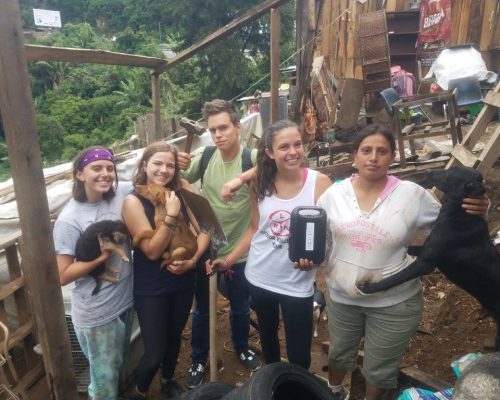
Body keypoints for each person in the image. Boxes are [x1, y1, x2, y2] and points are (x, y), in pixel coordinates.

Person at [316, 124, 490, 400]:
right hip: (342, 298)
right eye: (366, 150)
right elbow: (322, 240)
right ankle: (335, 392)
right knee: (339, 354)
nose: (373, 157)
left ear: (392, 157)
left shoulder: (412, 195)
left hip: (394, 304)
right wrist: (308, 263)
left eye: (382, 151)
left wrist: (480, 206)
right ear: (354, 156)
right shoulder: (333, 196)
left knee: (379, 369)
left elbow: (454, 221)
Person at [208, 119, 332, 369]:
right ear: (269, 153)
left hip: (297, 282)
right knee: (268, 338)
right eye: (284, 147)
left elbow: (328, 236)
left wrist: (316, 261)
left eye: (297, 144)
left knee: (299, 353)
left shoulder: (319, 184)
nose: (293, 152)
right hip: (260, 277)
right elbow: (255, 228)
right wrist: (230, 260)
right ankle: (274, 382)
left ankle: (297, 387)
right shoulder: (261, 183)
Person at [178, 99, 261, 388]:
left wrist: (242, 178)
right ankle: (199, 358)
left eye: (224, 127)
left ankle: (241, 346)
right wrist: (176, 162)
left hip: (241, 251)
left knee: (240, 307)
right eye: (213, 130)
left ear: (238, 127)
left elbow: (277, 162)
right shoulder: (205, 155)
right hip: (206, 248)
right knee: (202, 309)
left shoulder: (251, 158)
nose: (218, 135)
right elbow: (174, 178)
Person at [122, 142, 210, 399]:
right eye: (157, 163)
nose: (163, 170)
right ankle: (140, 390)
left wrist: (192, 260)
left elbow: (205, 229)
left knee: (174, 338)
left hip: (183, 278)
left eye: (170, 165)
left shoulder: (181, 190)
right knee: (155, 350)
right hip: (152, 286)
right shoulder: (133, 200)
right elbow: (150, 251)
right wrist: (171, 216)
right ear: (144, 165)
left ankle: (168, 379)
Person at [53, 146, 134, 400]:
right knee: (103, 385)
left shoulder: (120, 193)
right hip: (98, 313)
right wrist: (101, 257)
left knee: (114, 368)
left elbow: (152, 178)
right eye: (96, 168)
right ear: (80, 175)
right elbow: (63, 275)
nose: (105, 174)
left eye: (109, 168)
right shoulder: (70, 218)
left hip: (125, 302)